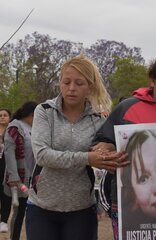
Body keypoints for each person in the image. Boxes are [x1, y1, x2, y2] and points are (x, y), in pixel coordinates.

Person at [25, 54, 126, 240]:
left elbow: (111, 152)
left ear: (90, 87)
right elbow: (42, 155)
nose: (71, 88)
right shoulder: (44, 111)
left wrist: (108, 148)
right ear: (60, 83)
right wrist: (87, 158)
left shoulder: (99, 119)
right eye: (66, 82)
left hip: (82, 211)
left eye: (79, 83)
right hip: (41, 208)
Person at [93, 52, 156, 240]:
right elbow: (100, 143)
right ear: (152, 80)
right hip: (125, 205)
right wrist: (106, 151)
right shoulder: (127, 108)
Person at [3, 101, 37, 240]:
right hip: (20, 178)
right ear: (31, 114)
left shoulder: (35, 128)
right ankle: (14, 237)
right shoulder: (14, 127)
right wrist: (14, 177)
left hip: (35, 177)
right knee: (20, 211)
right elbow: (9, 154)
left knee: (34, 212)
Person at [0, 108, 11, 233]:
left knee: (5, 192)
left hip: (7, 164)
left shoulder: (12, 131)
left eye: (5, 115)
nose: (2, 117)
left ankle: (4, 221)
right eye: (0, 115)